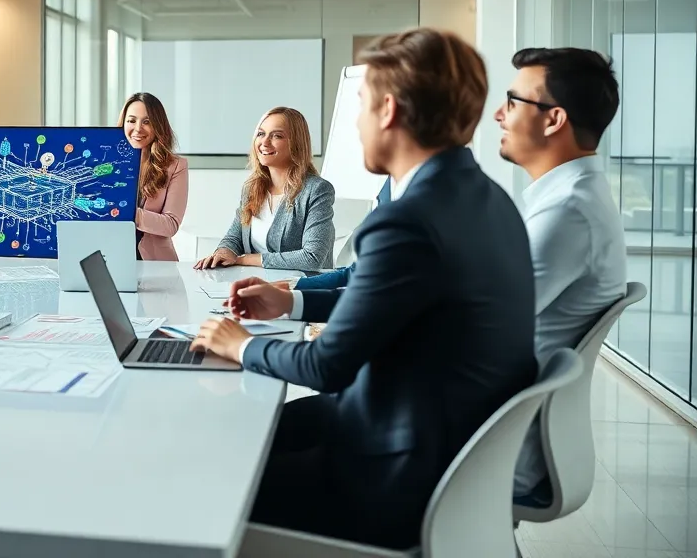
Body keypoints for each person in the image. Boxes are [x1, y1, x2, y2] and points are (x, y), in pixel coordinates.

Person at [189, 28, 537, 550]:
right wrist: (294, 299)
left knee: (212, 475)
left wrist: (239, 345)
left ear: (389, 110)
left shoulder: (408, 220)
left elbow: (327, 366)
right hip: (437, 442)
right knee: (242, 433)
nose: (356, 124)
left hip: (392, 473)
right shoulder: (488, 200)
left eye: (362, 108)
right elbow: (368, 279)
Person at [495, 47, 626, 504]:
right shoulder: (567, 198)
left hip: (489, 447)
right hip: (494, 423)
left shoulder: (568, 210)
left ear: (553, 120)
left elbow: (477, 323)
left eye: (512, 102)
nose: (498, 114)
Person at [194, 106, 335, 272]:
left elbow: (313, 257)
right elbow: (235, 236)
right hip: (255, 285)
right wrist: (224, 252)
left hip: (300, 290)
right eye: (261, 134)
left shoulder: (317, 190)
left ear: (296, 143)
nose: (264, 142)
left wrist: (244, 259)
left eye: (277, 136)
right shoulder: (252, 188)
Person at [272, 180, 392, 292]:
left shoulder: (317, 189)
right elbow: (357, 270)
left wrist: (295, 285)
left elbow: (312, 257)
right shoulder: (388, 189)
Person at [119, 92, 188, 261]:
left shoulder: (176, 166)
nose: (138, 129)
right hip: (111, 257)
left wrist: (126, 212)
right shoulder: (107, 164)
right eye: (131, 120)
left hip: (155, 262)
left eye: (147, 122)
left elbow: (171, 225)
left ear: (158, 126)